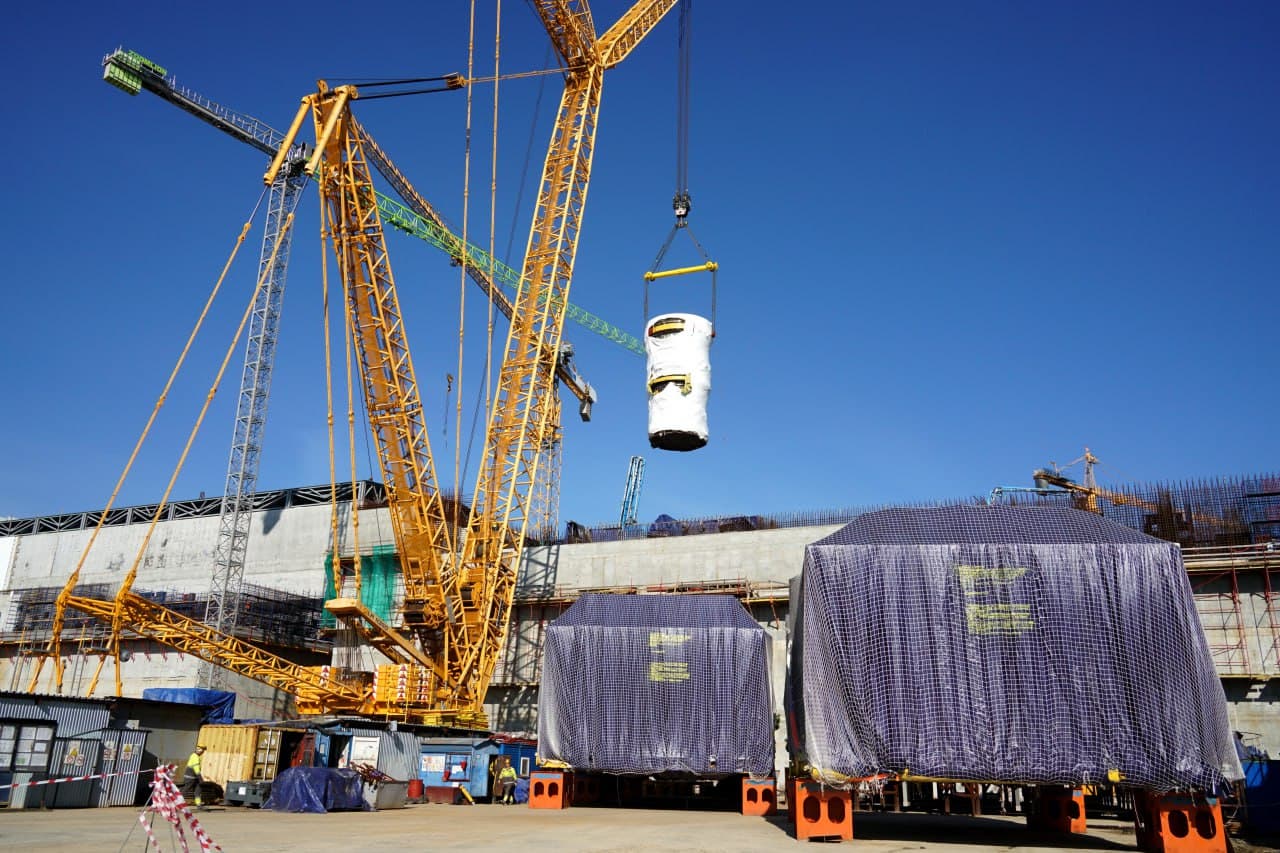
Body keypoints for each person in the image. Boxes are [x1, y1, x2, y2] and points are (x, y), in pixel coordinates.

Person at [181, 744, 207, 809]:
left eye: (203, 751)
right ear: (198, 750)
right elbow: (196, 768)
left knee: (198, 790)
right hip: (190, 777)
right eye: (202, 750)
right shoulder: (195, 756)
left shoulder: (195, 756)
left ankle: (199, 805)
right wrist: (200, 777)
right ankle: (176, 803)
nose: (202, 752)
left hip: (194, 777)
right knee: (186, 790)